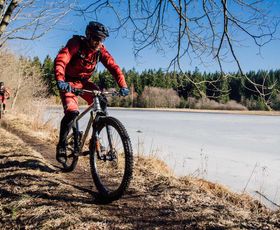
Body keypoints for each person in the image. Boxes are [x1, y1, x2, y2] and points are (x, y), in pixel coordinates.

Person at [54, 21, 130, 164]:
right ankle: (62, 146)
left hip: (84, 83)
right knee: (72, 112)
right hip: (68, 82)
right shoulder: (76, 43)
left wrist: (123, 85)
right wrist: (60, 79)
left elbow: (113, 67)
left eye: (102, 39)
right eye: (96, 38)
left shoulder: (101, 51)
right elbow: (61, 59)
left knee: (101, 101)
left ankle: (95, 139)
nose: (98, 42)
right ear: (88, 36)